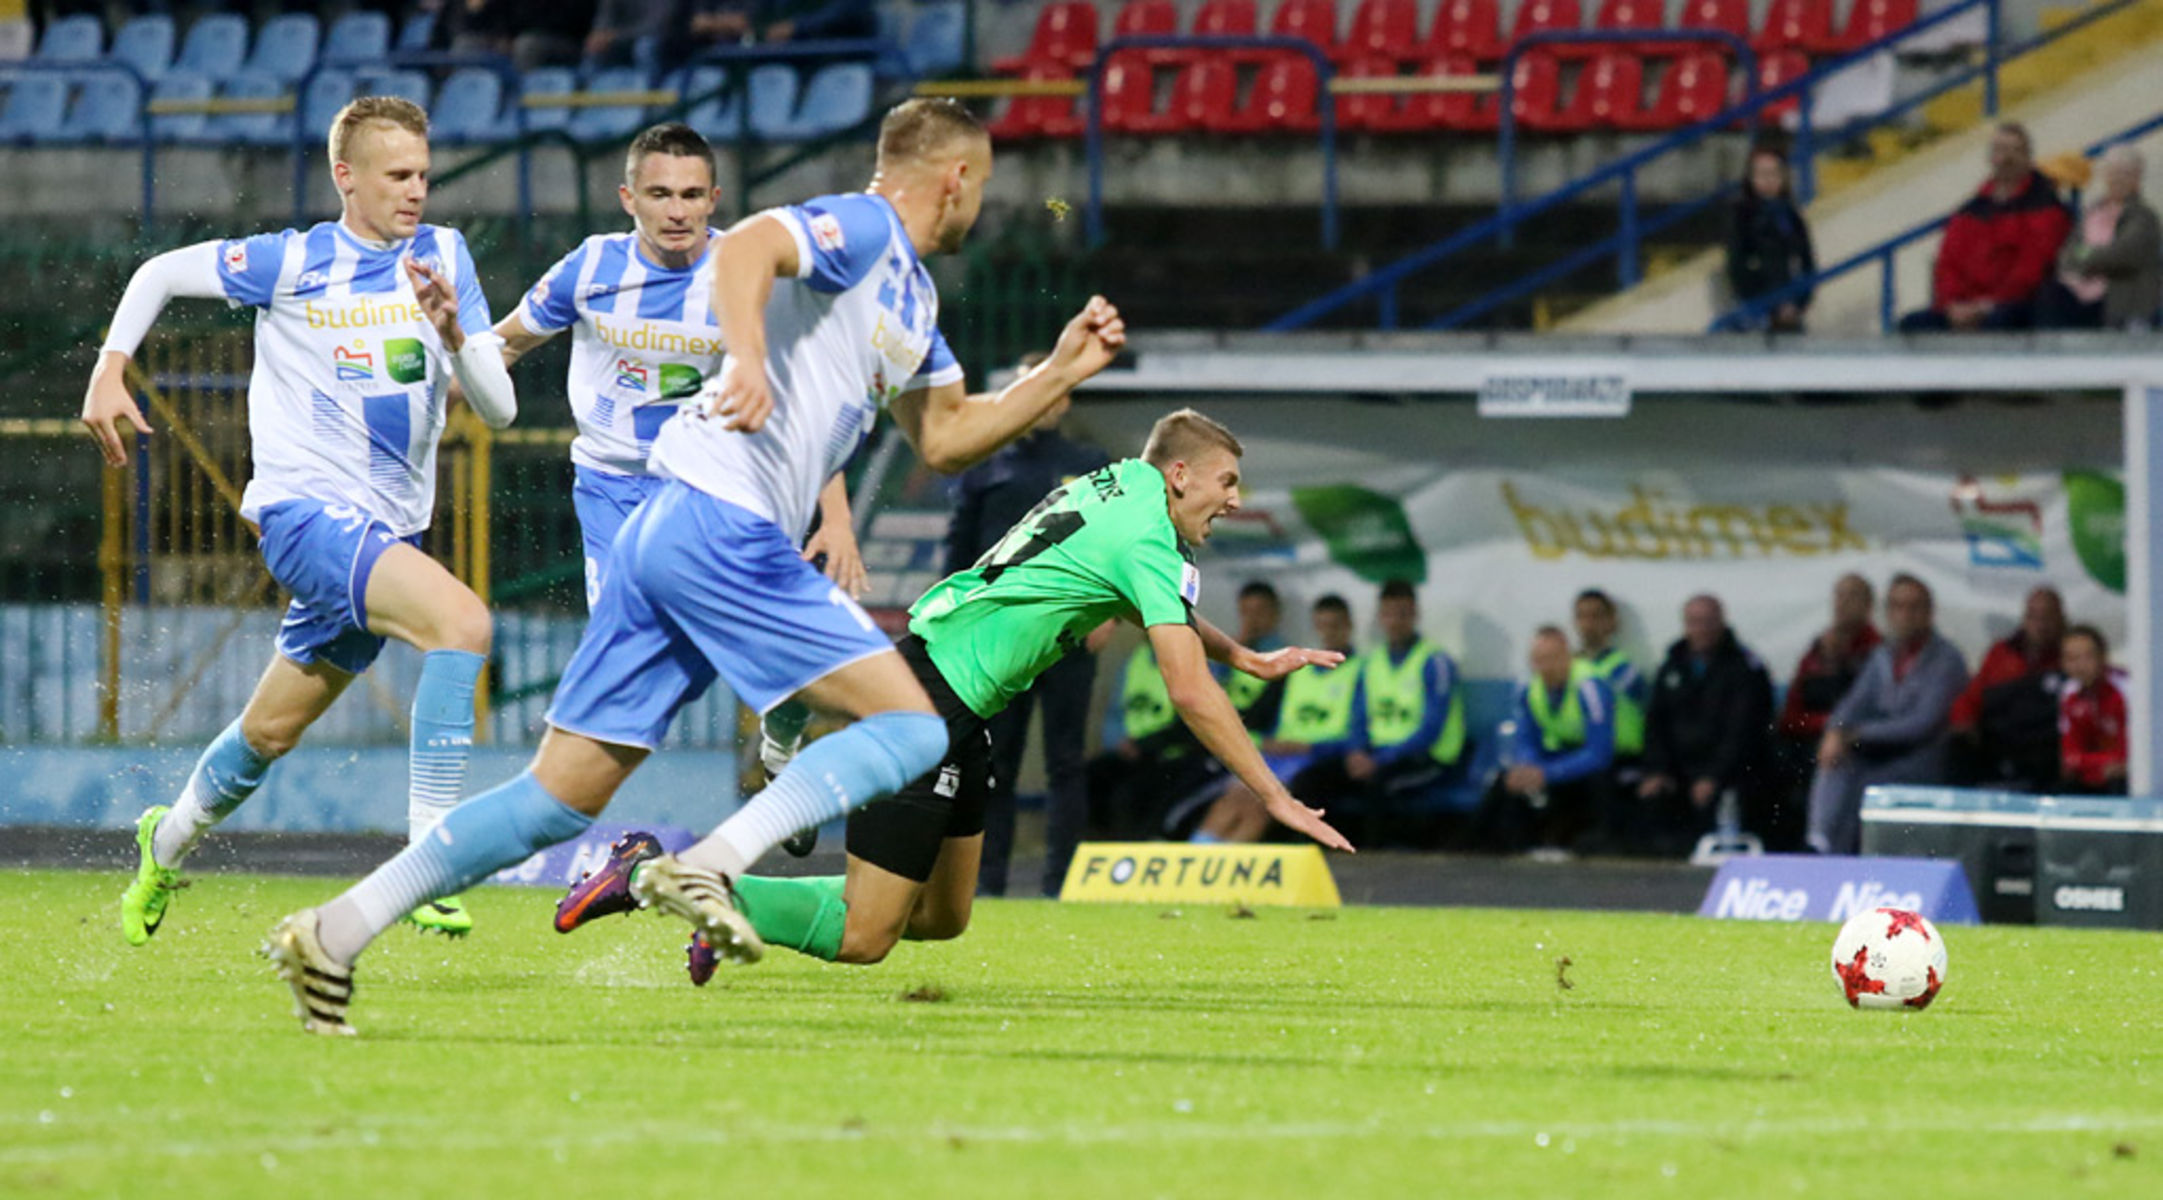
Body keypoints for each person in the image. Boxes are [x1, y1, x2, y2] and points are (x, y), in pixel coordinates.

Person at [264, 99, 1127, 1035]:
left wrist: (1060, 373)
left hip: (670, 527)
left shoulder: (911, 298)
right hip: (723, 521)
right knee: (915, 728)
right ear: (954, 177)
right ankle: (715, 861)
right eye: (985, 184)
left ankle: (332, 931)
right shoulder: (868, 225)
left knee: (558, 800)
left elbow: (949, 437)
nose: (982, 203)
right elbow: (750, 245)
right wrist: (748, 359)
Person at [559, 410, 1352, 976]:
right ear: (1180, 473)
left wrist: (1240, 654)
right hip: (933, 697)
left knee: (941, 917)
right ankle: (648, 873)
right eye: (1226, 481)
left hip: (958, 696)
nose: (1234, 498)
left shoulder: (1118, 489)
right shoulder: (1148, 535)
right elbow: (1186, 691)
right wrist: (1273, 796)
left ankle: (756, 835)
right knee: (868, 938)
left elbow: (1160, 609)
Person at [86, 97, 517, 947]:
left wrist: (456, 332)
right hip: (304, 517)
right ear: (345, 177)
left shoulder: (444, 257)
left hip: (386, 537)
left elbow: (499, 410)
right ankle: (429, 861)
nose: (417, 191)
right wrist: (111, 369)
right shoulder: (292, 262)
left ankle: (163, 843)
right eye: (398, 175)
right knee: (463, 623)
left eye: (425, 174)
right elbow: (160, 273)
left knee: (268, 734)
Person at [940, 351, 1110, 897]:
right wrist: (955, 623)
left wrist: (1107, 611)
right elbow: (959, 556)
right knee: (995, 763)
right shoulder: (985, 463)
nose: (1043, 401)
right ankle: (986, 884)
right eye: (1029, 387)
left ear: (1065, 399)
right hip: (1001, 637)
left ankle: (1063, 884)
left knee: (1066, 761)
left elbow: (1112, 547)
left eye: (1053, 390)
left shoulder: (1091, 465)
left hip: (1067, 634)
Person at [1806, 574, 1970, 855]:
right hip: (1878, 752)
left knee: (1861, 782)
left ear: (1929, 612)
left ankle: (1844, 854)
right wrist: (1835, 731)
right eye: (1897, 606)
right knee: (1835, 763)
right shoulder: (1883, 655)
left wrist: (1854, 735)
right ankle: (1820, 844)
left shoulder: (1946, 660)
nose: (1904, 615)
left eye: (1913, 607)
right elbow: (1853, 703)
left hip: (1921, 757)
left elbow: (1921, 724)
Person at [1187, 594, 1360, 844]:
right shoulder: (1298, 672)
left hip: (1315, 758)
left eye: (1336, 625)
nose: (1329, 632)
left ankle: (1227, 866)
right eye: (1323, 625)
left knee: (1262, 803)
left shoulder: (1360, 670)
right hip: (1279, 753)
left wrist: (1311, 747)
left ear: (1348, 626)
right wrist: (1268, 742)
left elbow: (1360, 733)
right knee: (1234, 796)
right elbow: (1267, 719)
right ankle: (1197, 855)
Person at [1631, 594, 1774, 857]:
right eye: (1694, 622)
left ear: (1721, 622)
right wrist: (1657, 769)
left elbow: (1742, 732)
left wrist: (1713, 776)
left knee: (1721, 801)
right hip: (1680, 769)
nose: (1701, 630)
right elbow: (1656, 723)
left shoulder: (1744, 668)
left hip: (1729, 770)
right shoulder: (1672, 665)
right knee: (1650, 797)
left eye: (1708, 622)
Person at [1898, 123, 2072, 332]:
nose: (2006, 158)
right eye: (2000, 150)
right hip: (1964, 306)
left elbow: (2032, 270)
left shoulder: (2047, 209)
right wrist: (1953, 305)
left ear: (2027, 156)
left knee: (1999, 321)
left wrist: (1987, 305)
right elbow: (1948, 264)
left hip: (2017, 306)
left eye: (2014, 150)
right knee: (1911, 325)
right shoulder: (1969, 211)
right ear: (1990, 157)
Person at [1464, 626, 1616, 856]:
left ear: (1567, 656)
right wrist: (1529, 767)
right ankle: (1478, 849)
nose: (1545, 668)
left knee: (1596, 782)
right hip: (1560, 755)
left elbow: (1600, 753)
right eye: (1538, 660)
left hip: (1603, 760)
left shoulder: (1590, 686)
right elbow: (1524, 739)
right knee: (1505, 781)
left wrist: (1547, 773)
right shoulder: (1528, 688)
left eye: (1552, 659)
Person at [1772, 573, 1880, 851]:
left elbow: (1870, 709)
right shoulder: (1816, 652)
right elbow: (1790, 715)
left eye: (1852, 597)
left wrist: (1835, 731)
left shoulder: (1878, 652)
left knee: (1837, 761)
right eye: (1839, 596)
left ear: (1869, 605)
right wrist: (1823, 726)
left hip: (1850, 741)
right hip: (1812, 738)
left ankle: (1823, 844)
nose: (1843, 604)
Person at [1949, 585, 2065, 791]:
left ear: (2061, 618)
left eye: (2047, 616)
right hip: (1999, 742)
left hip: (2044, 747)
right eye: (2033, 616)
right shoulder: (2001, 653)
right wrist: (1964, 721)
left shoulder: (2069, 656)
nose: (2040, 624)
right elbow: (1971, 697)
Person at [2037, 145, 2161, 330]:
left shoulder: (2143, 217)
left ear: (2137, 178)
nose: (2117, 179)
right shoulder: (2093, 211)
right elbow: (2068, 253)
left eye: (2125, 173)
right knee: (2048, 294)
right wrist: (2091, 255)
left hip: (2117, 296)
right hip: (2079, 290)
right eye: (2112, 172)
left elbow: (2120, 255)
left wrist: (2086, 255)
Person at [1724, 145, 1817, 332]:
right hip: (1757, 311)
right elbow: (1737, 265)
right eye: (1762, 173)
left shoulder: (1791, 215)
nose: (1768, 180)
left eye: (1774, 173)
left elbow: (1807, 262)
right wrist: (1764, 304)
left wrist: (1798, 303)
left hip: (1790, 310)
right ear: (1751, 178)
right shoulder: (1742, 216)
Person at [1573, 588, 1645, 779]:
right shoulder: (1565, 669)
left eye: (1596, 616)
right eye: (1582, 616)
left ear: (1612, 622)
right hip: (1575, 755)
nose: (1588, 624)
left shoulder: (1624, 671)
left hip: (1619, 760)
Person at [2057, 624, 2127, 795]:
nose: (2080, 666)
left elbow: (2130, 754)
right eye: (2072, 659)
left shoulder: (2126, 690)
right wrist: (2101, 765)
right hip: (2094, 774)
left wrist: (2089, 764)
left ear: (2103, 657)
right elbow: (2070, 755)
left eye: (2087, 657)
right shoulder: (2068, 693)